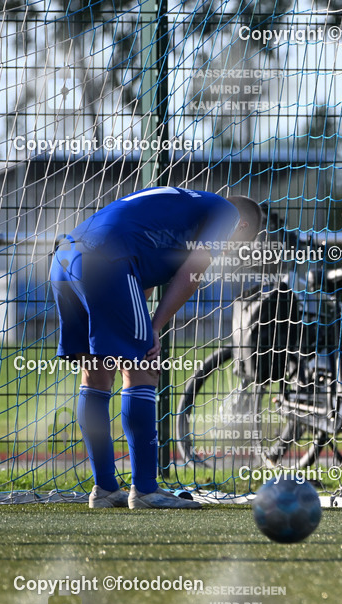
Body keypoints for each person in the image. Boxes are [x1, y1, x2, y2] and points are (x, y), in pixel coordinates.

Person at [49, 187, 262, 509]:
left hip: (66, 259)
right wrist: (154, 328)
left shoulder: (183, 206)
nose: (230, 250)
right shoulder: (227, 213)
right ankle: (146, 490)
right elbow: (192, 273)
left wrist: (141, 326)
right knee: (143, 370)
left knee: (95, 376)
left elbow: (140, 275)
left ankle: (105, 489)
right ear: (242, 226)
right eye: (239, 245)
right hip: (107, 259)